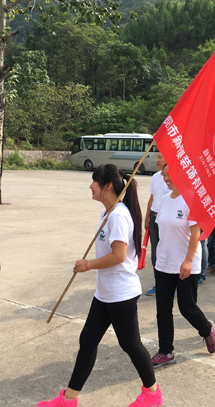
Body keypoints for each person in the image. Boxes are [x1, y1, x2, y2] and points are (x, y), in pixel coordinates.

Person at [38, 164, 163, 407]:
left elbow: (119, 256)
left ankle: (153, 393)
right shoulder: (109, 213)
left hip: (121, 293)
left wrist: (88, 265)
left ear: (107, 186)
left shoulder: (118, 216)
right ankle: (69, 399)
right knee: (87, 341)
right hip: (106, 293)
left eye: (94, 181)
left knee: (131, 345)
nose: (90, 186)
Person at [151, 165, 215, 368]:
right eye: (164, 175)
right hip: (164, 262)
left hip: (185, 263)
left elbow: (196, 234)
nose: (166, 179)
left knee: (187, 307)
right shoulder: (164, 199)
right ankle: (166, 351)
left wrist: (188, 260)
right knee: (163, 309)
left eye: (169, 175)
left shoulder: (191, 199)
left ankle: (206, 330)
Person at [144, 153, 171, 296]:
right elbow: (152, 198)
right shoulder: (155, 177)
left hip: (167, 221)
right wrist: (147, 217)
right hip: (154, 219)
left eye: (161, 157)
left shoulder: (173, 179)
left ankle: (172, 286)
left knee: (168, 253)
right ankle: (158, 284)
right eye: (157, 157)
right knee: (155, 254)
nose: (157, 160)